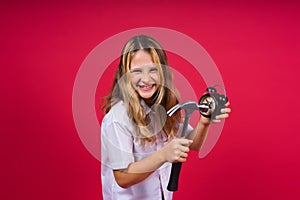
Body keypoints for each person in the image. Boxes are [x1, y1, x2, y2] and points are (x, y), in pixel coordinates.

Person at [100, 35, 231, 200]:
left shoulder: (163, 108)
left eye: (153, 69)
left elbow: (193, 143)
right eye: (137, 71)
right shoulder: (118, 118)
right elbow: (122, 177)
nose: (146, 79)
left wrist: (204, 121)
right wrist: (163, 155)